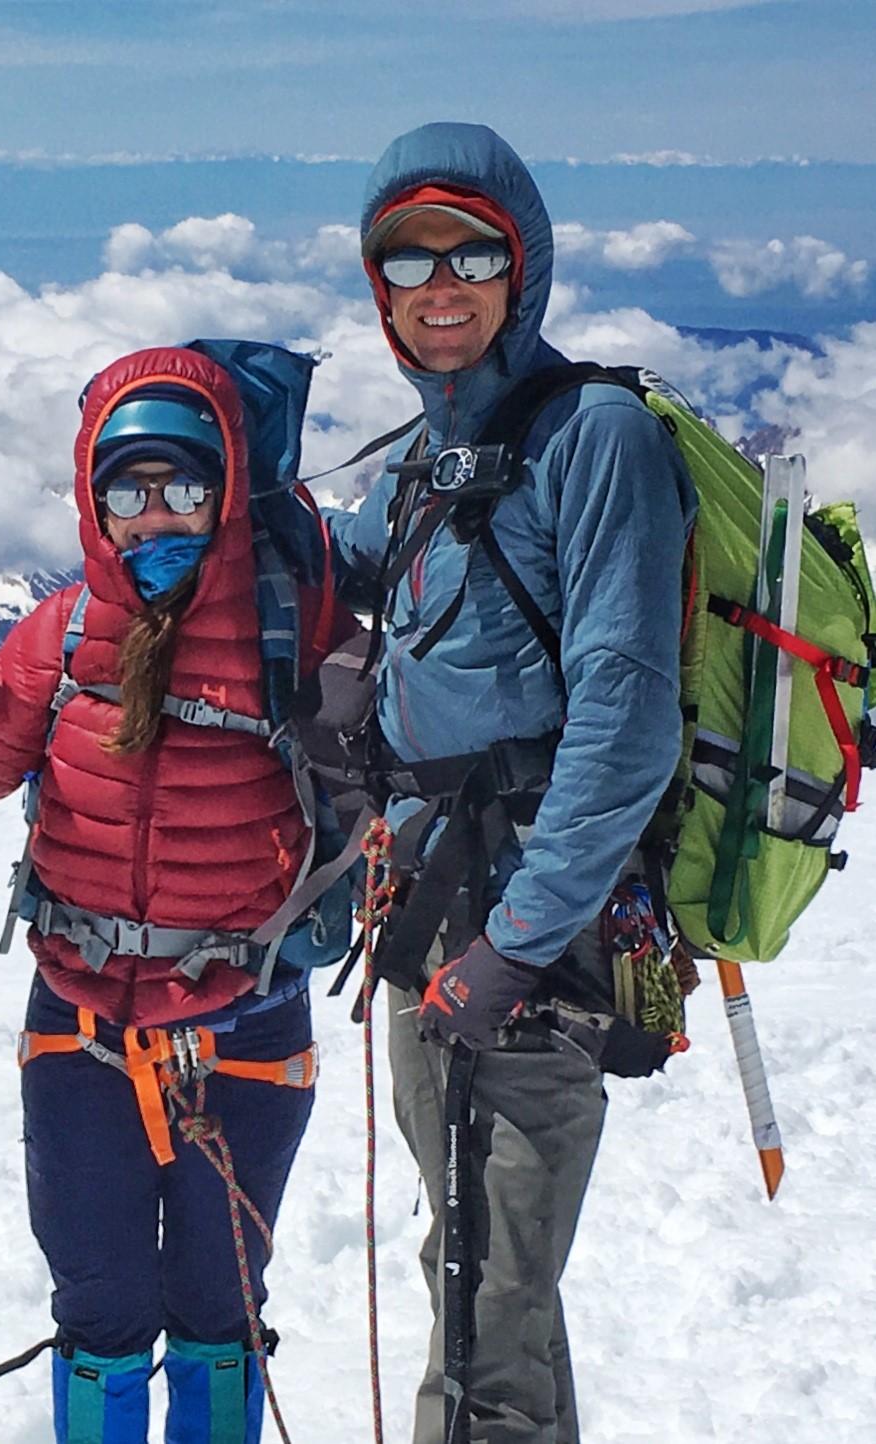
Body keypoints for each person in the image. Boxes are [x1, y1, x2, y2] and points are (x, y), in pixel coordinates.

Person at [0, 345, 355, 1444]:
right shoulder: (63, 637)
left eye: (183, 485)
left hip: (243, 1026)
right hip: (83, 1028)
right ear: (92, 504)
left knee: (217, 1308)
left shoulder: (297, 628)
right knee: (99, 1310)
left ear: (228, 488)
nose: (154, 517)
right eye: (125, 491)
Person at [323, 122, 697, 1444]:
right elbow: (362, 568)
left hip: (533, 940)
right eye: (406, 258)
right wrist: (206, 494)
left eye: (471, 251)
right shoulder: (437, 451)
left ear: (521, 267)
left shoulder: (592, 437)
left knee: (486, 1310)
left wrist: (519, 948)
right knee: (485, 1289)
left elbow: (626, 716)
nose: (439, 283)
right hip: (430, 912)